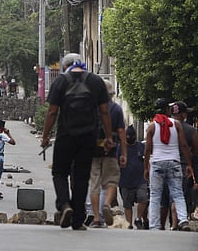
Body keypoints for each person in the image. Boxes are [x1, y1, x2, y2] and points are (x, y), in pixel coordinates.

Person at [41, 53, 113, 231]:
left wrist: (45, 136)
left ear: (65, 67)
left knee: (59, 172)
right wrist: (109, 137)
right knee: (81, 176)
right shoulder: (96, 82)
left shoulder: (61, 81)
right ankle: (78, 220)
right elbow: (105, 112)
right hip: (89, 136)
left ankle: (65, 205)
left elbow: (52, 112)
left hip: (66, 135)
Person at [144, 98, 193, 231]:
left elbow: (148, 149)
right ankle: (183, 220)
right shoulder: (176, 124)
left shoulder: (152, 127)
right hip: (174, 162)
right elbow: (183, 145)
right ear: (167, 110)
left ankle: (154, 225)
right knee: (177, 193)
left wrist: (146, 167)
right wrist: (189, 164)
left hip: (157, 162)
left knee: (155, 195)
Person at [88, 79, 127, 228]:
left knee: (94, 184)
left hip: (92, 151)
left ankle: (96, 218)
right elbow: (122, 132)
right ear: (111, 94)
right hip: (111, 151)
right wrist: (124, 153)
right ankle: (106, 204)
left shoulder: (91, 108)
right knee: (111, 180)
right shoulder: (116, 109)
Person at [166, 101, 198, 229]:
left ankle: (164, 224)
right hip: (182, 165)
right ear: (183, 114)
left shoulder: (163, 127)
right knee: (178, 194)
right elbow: (197, 149)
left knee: (163, 197)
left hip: (163, 163)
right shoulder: (190, 129)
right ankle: (177, 223)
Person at [118, 125, 149, 229]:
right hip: (125, 181)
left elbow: (147, 160)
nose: (130, 139)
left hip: (141, 180)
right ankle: (129, 224)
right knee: (127, 204)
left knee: (143, 199)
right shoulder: (120, 148)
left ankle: (138, 219)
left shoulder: (141, 146)